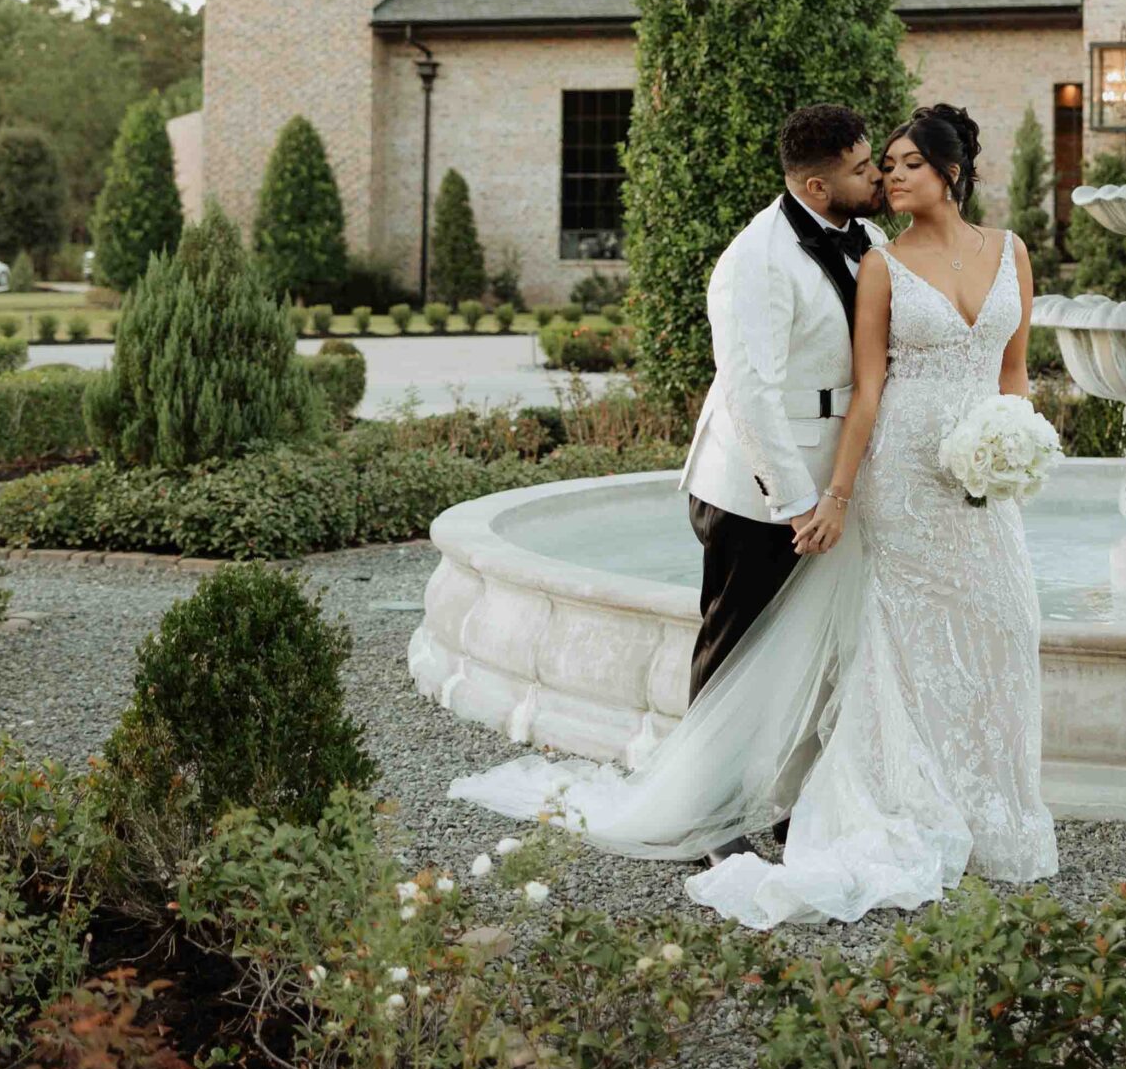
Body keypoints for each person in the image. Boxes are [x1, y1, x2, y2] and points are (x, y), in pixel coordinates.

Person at [449, 102, 1059, 928]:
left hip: (862, 475)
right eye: (862, 167)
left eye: (890, 163)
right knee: (735, 646)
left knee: (819, 644)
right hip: (756, 486)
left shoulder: (873, 242)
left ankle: (787, 797)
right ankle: (710, 816)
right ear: (819, 183)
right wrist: (805, 503)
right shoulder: (755, 259)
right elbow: (750, 394)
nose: (876, 177)